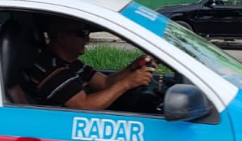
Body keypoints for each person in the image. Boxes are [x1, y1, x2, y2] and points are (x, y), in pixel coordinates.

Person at [25, 16, 155, 111]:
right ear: (61, 38)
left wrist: (133, 67)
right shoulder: (52, 71)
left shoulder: (72, 63)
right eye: (81, 34)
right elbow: (85, 106)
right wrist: (127, 83)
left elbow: (105, 83)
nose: (87, 39)